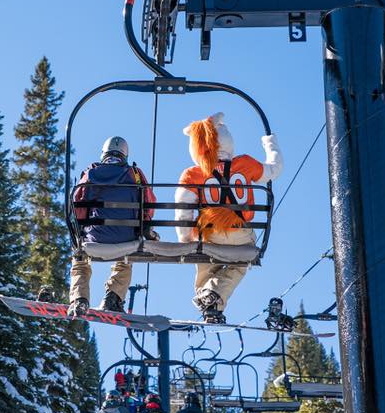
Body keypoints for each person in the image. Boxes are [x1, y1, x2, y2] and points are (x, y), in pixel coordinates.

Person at [174, 113, 282, 323]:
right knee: (242, 261)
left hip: (210, 234)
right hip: (240, 232)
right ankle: (213, 300)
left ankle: (208, 299)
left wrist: (185, 238)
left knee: (205, 262)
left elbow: (183, 209)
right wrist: (270, 144)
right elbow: (275, 169)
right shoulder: (245, 164)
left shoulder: (193, 174)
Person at [69, 136, 156, 316]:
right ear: (125, 154)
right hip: (126, 239)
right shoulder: (136, 174)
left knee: (80, 259)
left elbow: (77, 206)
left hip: (95, 236)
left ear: (104, 153)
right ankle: (113, 297)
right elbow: (148, 203)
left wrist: (82, 231)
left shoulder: (91, 173)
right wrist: (141, 227)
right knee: (125, 260)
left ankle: (80, 299)